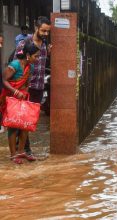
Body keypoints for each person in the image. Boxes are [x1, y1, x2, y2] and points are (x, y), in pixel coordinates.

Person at [15, 16, 51, 155]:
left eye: (48, 32)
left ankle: (22, 146)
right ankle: (25, 149)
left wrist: (50, 52)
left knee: (31, 120)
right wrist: (19, 87)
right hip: (26, 87)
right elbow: (17, 65)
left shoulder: (45, 44)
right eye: (43, 31)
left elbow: (43, 63)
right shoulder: (24, 43)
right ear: (36, 28)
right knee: (24, 119)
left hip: (39, 86)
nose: (45, 34)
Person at [0, 43, 40, 164]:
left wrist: (25, 92)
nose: (37, 59)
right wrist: (16, 91)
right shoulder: (15, 65)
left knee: (25, 124)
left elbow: (27, 82)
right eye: (36, 56)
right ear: (28, 55)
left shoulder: (30, 67)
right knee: (13, 126)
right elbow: (4, 80)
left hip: (23, 97)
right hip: (10, 98)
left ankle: (21, 151)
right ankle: (13, 155)